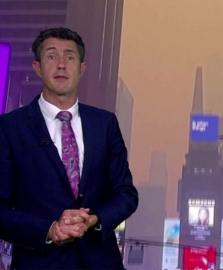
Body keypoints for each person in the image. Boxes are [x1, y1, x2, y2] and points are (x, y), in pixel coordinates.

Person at [0, 27, 138, 269]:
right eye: (52, 56)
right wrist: (50, 230)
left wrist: (95, 219)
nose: (61, 65)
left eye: (70, 57)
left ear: (82, 68)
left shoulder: (104, 124)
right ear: (37, 67)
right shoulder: (10, 128)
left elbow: (126, 194)